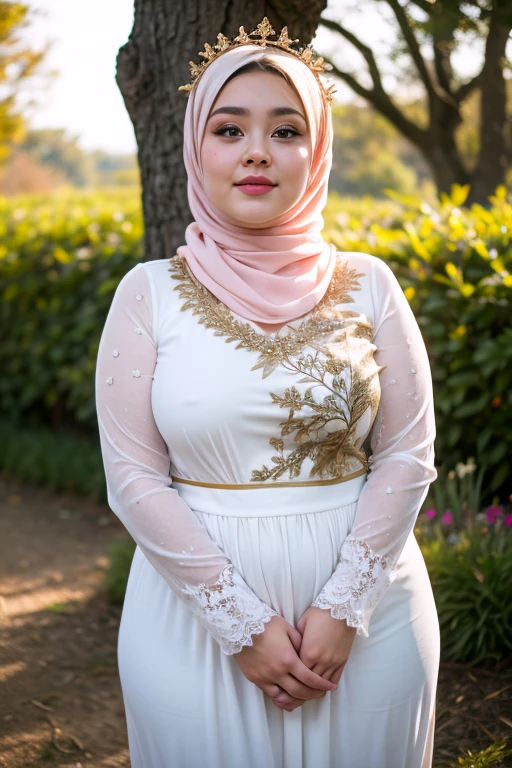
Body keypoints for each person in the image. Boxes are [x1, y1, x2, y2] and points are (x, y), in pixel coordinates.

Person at [95, 17, 440, 768]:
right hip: (192, 621)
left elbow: (409, 455)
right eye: (229, 129)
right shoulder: (148, 295)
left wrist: (345, 607)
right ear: (196, 148)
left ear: (316, 153)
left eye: (286, 130)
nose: (257, 150)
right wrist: (241, 624)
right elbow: (132, 478)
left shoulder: (370, 285)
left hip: (370, 615)